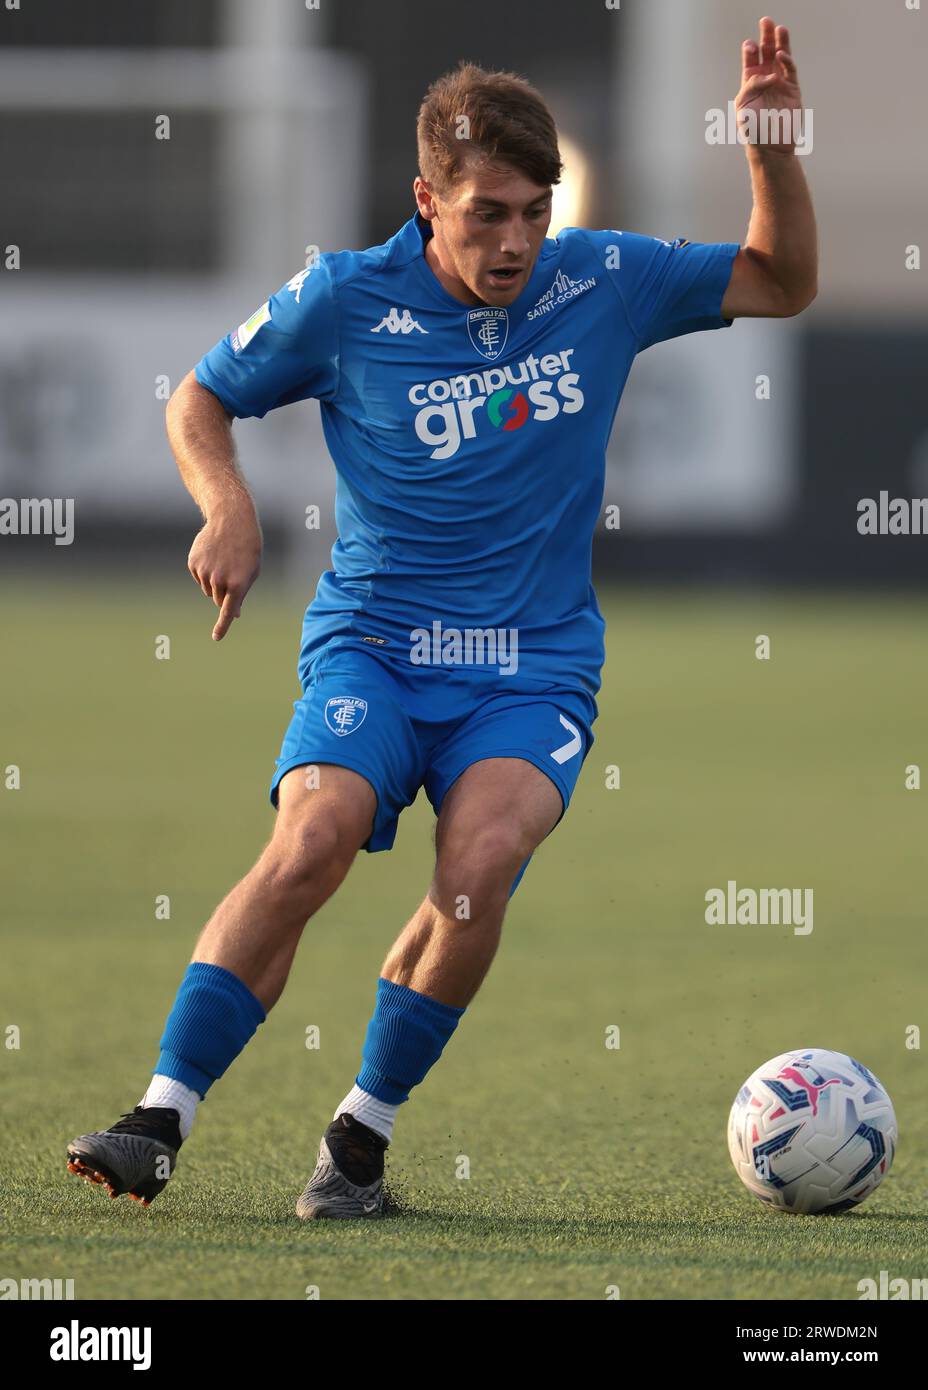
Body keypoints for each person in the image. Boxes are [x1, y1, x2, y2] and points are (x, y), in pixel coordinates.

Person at [67, 21, 816, 1219]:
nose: (515, 240)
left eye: (534, 208)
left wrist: (770, 150)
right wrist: (228, 508)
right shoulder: (343, 298)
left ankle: (357, 1145)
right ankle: (159, 1115)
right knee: (311, 844)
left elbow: (780, 283)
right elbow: (201, 395)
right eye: (487, 215)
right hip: (374, 643)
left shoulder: (602, 278)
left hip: (531, 665)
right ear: (427, 200)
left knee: (477, 866)